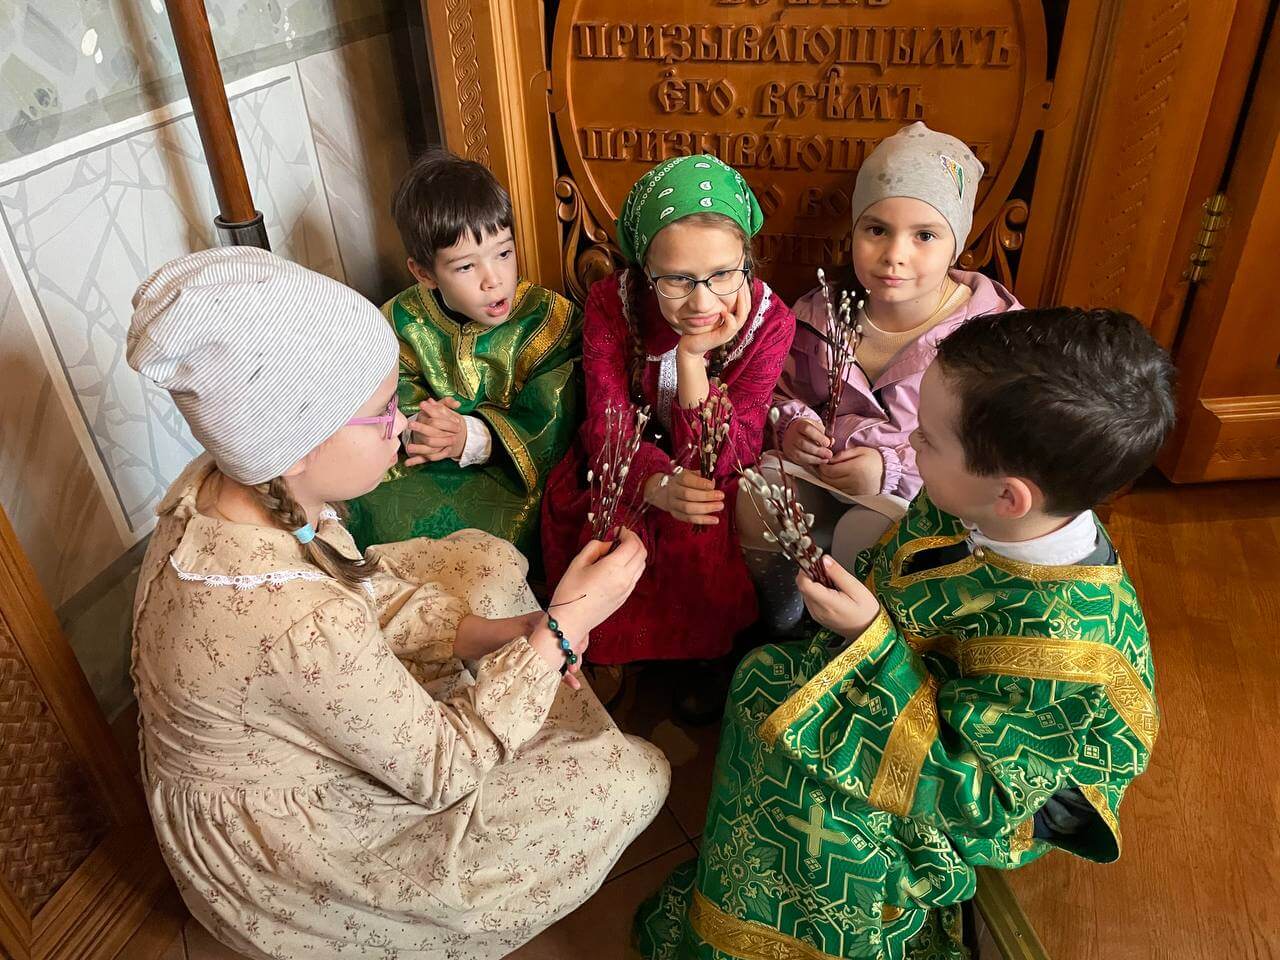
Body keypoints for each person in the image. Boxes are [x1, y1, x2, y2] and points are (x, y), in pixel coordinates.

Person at [126, 247, 668, 959]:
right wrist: (563, 629)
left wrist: (511, 632)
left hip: (294, 718)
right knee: (635, 777)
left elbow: (359, 590)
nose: (402, 423)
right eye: (381, 412)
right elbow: (440, 768)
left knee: (480, 561)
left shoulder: (235, 485)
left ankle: (522, 687)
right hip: (293, 859)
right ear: (298, 444)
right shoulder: (294, 621)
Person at [636, 307, 1175, 959]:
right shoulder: (978, 502)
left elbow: (984, 798)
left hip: (984, 793)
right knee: (764, 682)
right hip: (911, 696)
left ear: (1009, 497)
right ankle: (736, 897)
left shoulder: (1067, 643)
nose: (910, 443)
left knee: (820, 805)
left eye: (928, 439)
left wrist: (869, 640)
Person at [540, 154, 795, 719]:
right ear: (645, 268)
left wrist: (692, 360)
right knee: (609, 523)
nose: (702, 302)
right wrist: (653, 480)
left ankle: (703, 654)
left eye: (723, 275)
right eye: (677, 280)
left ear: (746, 261)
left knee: (705, 510)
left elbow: (731, 453)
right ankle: (604, 645)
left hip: (713, 467)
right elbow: (605, 419)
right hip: (622, 460)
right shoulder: (613, 305)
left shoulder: (770, 323)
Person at [743, 122, 1020, 632]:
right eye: (876, 230)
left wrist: (890, 470)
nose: (895, 254)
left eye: (924, 236)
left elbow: (993, 452)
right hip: (823, 479)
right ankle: (781, 624)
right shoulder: (820, 314)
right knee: (761, 494)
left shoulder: (989, 335)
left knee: (866, 529)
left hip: (921, 505)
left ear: (956, 244)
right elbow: (778, 392)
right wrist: (793, 426)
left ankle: (858, 640)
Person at [346, 149, 581, 565]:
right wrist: (423, 429)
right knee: (366, 507)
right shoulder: (401, 321)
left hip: (511, 471)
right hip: (423, 463)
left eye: (504, 254)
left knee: (500, 543)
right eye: (466, 267)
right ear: (424, 273)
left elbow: (557, 412)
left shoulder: (548, 319)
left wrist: (472, 436)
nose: (494, 280)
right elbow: (389, 392)